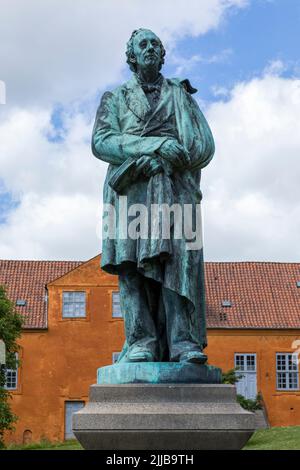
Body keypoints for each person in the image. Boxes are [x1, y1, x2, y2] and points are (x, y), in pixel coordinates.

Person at [92, 28, 215, 363]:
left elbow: (204, 144)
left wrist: (177, 157)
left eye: (155, 45)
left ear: (163, 55)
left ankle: (182, 341)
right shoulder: (114, 98)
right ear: (131, 56)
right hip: (129, 189)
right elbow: (102, 142)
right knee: (130, 266)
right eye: (142, 45)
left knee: (178, 263)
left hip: (174, 188)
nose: (149, 49)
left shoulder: (181, 96)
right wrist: (154, 144)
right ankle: (141, 341)